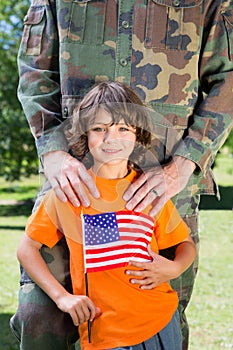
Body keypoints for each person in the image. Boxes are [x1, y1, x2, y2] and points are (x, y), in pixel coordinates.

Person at [10, 1, 233, 349]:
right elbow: (35, 68)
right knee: (39, 315)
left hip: (164, 186)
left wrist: (187, 161)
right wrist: (52, 150)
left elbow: (228, 75)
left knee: (156, 317)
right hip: (73, 181)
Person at [17, 81, 196, 350]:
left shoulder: (147, 190)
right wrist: (62, 297)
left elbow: (186, 246)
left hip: (162, 323)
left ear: (137, 136)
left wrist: (173, 267)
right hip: (106, 334)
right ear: (85, 135)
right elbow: (26, 248)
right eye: (100, 129)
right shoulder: (71, 193)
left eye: (123, 128)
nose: (111, 138)